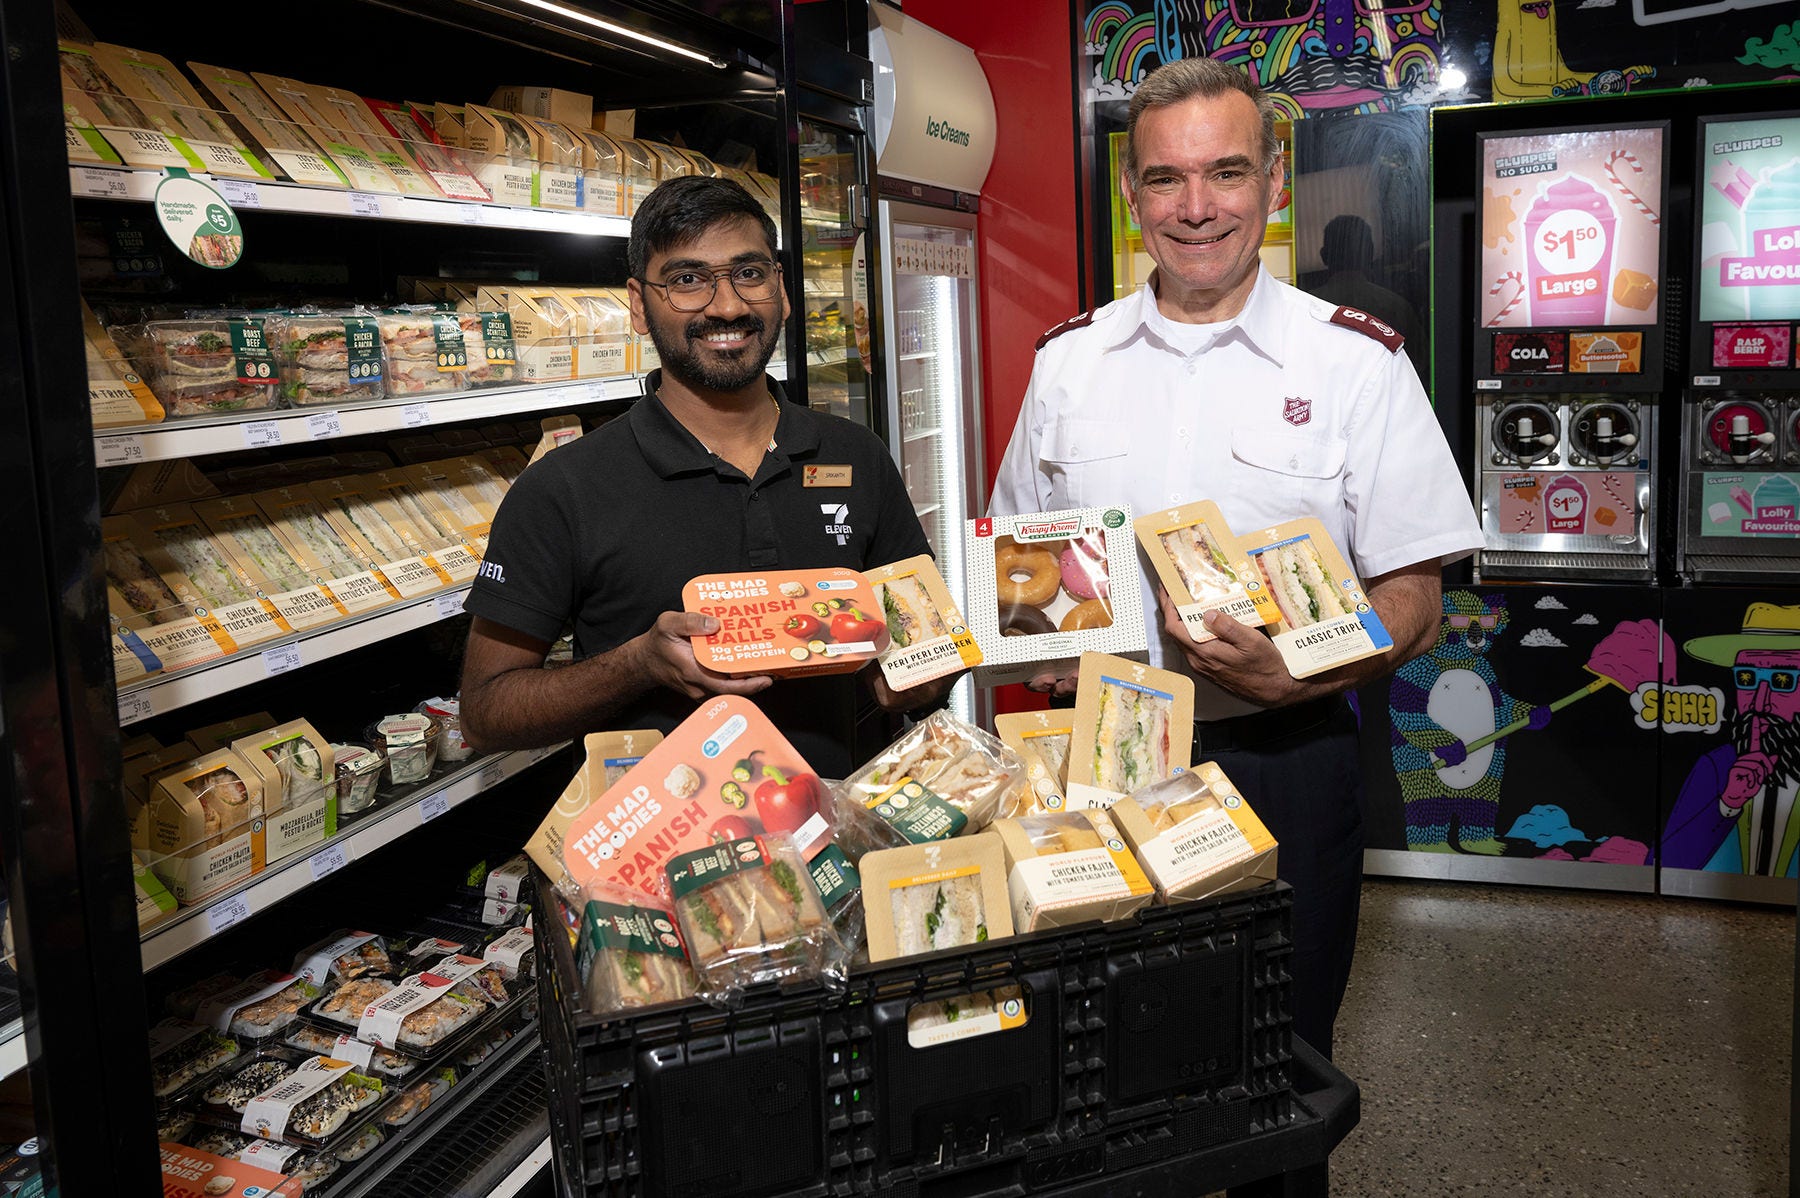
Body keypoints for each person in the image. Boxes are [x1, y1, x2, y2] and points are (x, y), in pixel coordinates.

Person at [988, 51, 1480, 1140]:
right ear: (1132, 193)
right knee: (1101, 1047)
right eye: (1166, 178)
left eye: (1225, 172)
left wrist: (1303, 661)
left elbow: (1413, 598)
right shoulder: (1066, 363)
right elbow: (1018, 567)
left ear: (1273, 181)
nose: (1197, 206)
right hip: (1103, 761)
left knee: (1280, 1060)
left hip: (1286, 755)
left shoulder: (1357, 365)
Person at [459, 175, 953, 777]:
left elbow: (932, 648)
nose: (728, 306)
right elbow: (486, 714)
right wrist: (638, 664)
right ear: (639, 306)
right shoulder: (563, 489)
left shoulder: (857, 455)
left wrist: (920, 676)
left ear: (781, 288)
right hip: (668, 857)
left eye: (750, 273)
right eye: (688, 280)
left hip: (851, 838)